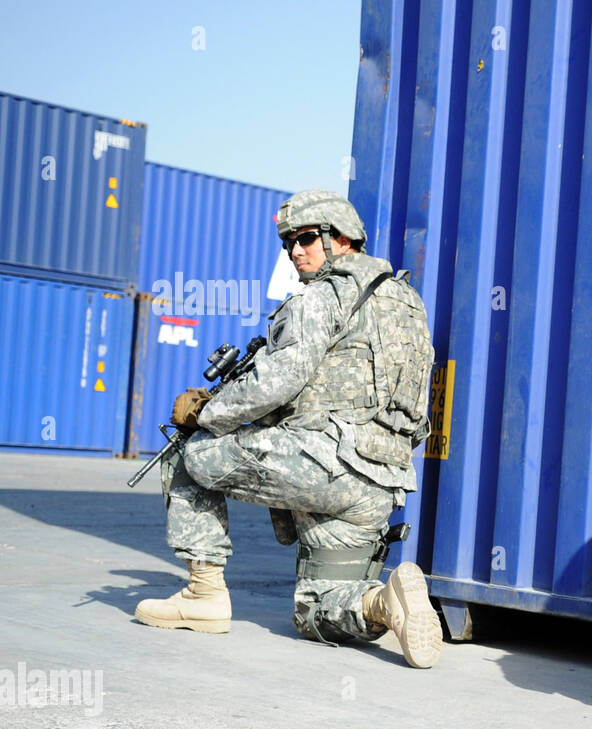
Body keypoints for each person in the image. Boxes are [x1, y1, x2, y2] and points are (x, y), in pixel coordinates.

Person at [134, 190, 442, 669]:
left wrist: (205, 414)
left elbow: (276, 382)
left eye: (304, 239)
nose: (295, 252)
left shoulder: (323, 295)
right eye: (288, 244)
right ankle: (385, 602)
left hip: (325, 465)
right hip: (382, 484)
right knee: (317, 609)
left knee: (188, 453)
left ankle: (203, 595)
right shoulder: (408, 302)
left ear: (340, 237)